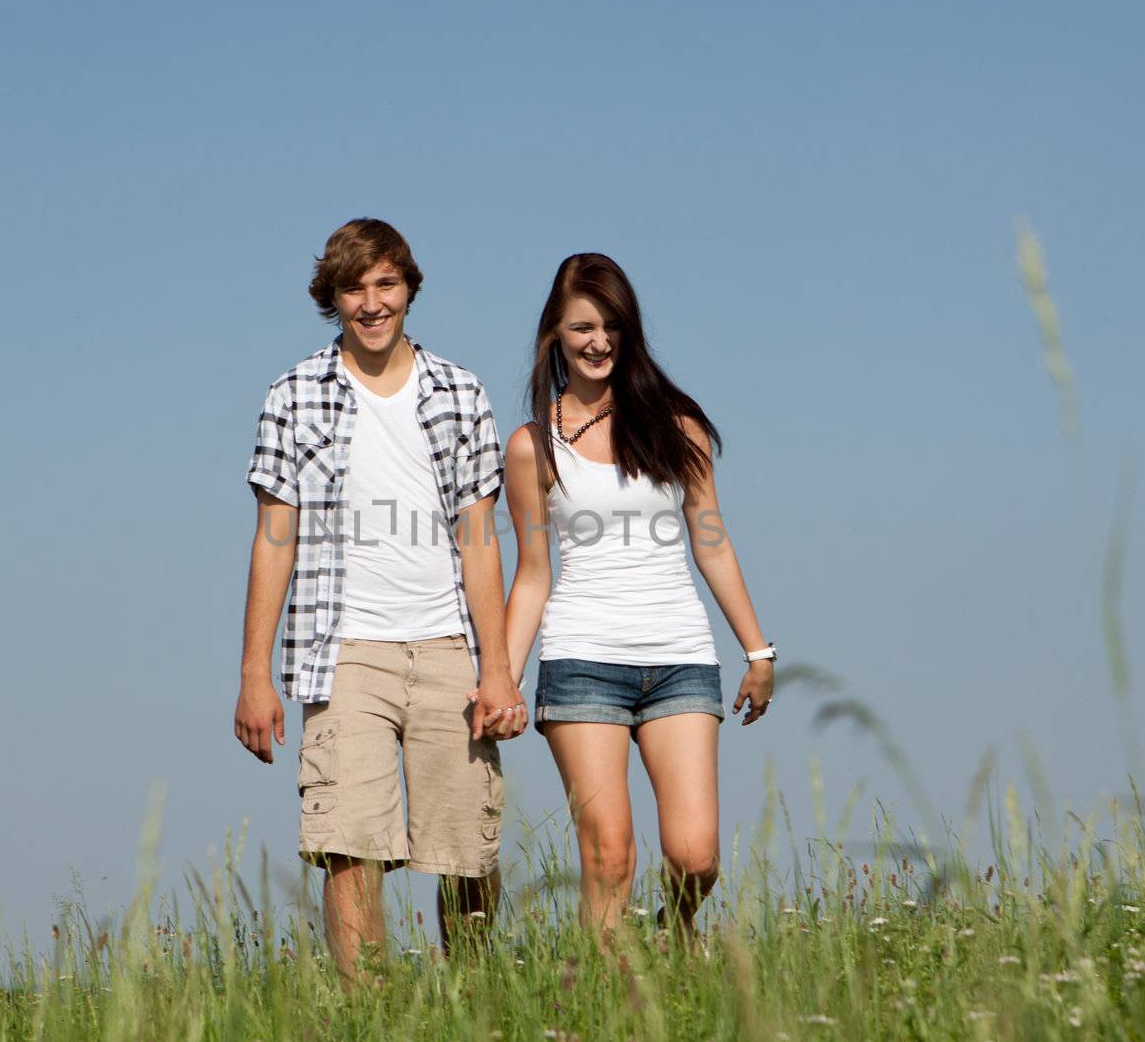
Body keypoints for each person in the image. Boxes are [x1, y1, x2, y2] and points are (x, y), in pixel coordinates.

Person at [234, 218, 526, 979]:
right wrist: (254, 674)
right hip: (344, 650)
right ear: (332, 296)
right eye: (354, 287)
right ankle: (368, 1017)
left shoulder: (459, 391)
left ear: (409, 289)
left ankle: (470, 996)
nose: (371, 303)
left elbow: (481, 538)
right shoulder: (294, 394)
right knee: (350, 846)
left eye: (385, 284)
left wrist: (498, 669)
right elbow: (274, 536)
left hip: (446, 648)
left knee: (468, 851)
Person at [499, 253, 775, 935]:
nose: (599, 342)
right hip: (583, 659)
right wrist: (499, 679)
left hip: (680, 656)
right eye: (583, 326)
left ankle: (672, 929)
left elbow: (710, 539)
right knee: (610, 856)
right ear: (555, 335)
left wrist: (758, 649)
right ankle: (598, 1004)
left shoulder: (677, 424)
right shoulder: (532, 446)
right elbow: (533, 572)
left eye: (612, 327)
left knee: (696, 855)